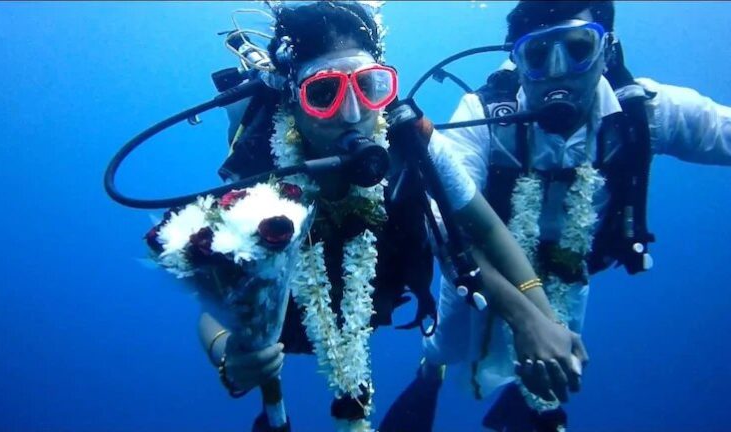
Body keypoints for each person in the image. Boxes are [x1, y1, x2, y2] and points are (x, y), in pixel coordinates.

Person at [194, 1, 587, 430]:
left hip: (381, 295)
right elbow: (211, 304)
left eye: (370, 86)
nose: (353, 113)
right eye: (323, 93)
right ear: (293, 98)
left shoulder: (410, 138)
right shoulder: (259, 172)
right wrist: (227, 353)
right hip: (287, 327)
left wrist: (542, 318)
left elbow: (487, 228)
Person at [383, 1, 731, 431]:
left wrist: (539, 326)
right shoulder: (484, 115)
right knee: (450, 341)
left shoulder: (641, 112)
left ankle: (532, 407)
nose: (559, 69)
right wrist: (528, 318)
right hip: (479, 267)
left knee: (561, 353)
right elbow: (444, 227)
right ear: (517, 59)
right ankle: (429, 372)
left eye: (578, 47)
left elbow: (721, 131)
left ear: (608, 49)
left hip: (570, 269)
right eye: (538, 54)